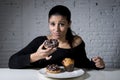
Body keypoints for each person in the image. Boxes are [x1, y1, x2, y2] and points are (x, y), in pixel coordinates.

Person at [8, 5, 105, 69]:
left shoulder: (77, 42)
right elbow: (12, 62)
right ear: (48, 24)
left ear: (69, 24)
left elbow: (83, 64)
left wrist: (97, 64)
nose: (56, 29)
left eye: (61, 24)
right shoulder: (40, 42)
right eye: (52, 24)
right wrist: (37, 55)